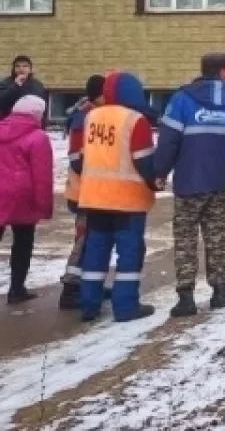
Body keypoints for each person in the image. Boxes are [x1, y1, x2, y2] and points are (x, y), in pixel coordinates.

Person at [155, 53, 225, 317]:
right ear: (224, 71)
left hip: (189, 181)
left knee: (185, 238)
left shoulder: (182, 99)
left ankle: (186, 298)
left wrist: (159, 171)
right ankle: (220, 293)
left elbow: (168, 140)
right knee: (216, 236)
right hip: (219, 180)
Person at [75, 71, 159, 322]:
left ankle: (89, 305)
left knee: (95, 252)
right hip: (127, 199)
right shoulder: (135, 120)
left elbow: (81, 158)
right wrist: (154, 181)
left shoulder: (92, 116)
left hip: (94, 197)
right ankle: (126, 307)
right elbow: (144, 160)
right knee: (129, 254)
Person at [0, 95, 54, 304]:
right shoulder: (38, 138)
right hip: (22, 197)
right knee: (23, 243)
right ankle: (16, 289)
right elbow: (42, 176)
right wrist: (44, 206)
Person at [59, 75, 106, 310]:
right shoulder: (85, 116)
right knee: (84, 239)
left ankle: (87, 285)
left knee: (91, 239)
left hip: (91, 190)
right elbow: (77, 158)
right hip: (83, 192)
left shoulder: (95, 112)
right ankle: (70, 289)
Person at [0, 55, 48, 123]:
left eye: (25, 66)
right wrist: (15, 86)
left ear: (30, 69)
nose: (21, 69)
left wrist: (42, 126)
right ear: (14, 69)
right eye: (17, 66)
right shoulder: (5, 83)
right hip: (10, 124)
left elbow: (43, 107)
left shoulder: (38, 85)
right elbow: (1, 102)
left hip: (31, 124)